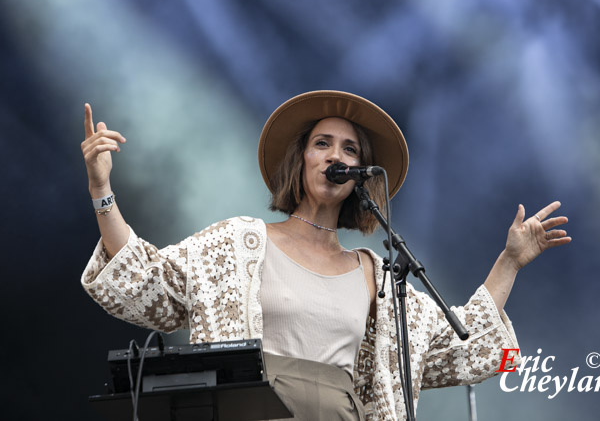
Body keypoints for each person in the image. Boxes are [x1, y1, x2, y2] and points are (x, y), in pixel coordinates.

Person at [80, 90, 571, 420]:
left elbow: (466, 344)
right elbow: (144, 281)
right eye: (322, 143)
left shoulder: (380, 279)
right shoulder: (234, 245)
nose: (336, 156)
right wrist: (102, 188)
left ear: (361, 173)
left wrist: (509, 262)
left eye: (350, 150)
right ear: (302, 159)